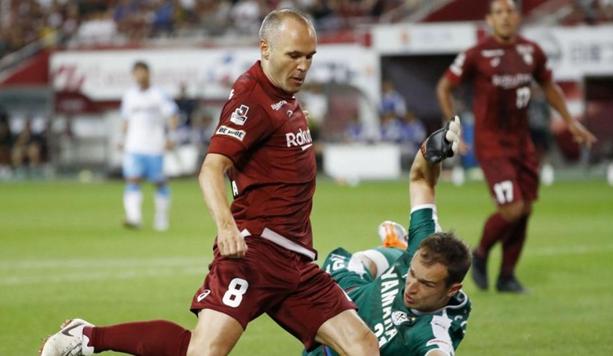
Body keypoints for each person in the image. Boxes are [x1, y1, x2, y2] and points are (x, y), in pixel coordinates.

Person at [40, 9, 379, 356]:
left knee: (363, 345)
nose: (304, 66)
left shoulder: (282, 97)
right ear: (265, 48)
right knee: (201, 352)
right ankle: (85, 337)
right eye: (294, 55)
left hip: (296, 260)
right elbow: (211, 168)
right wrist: (226, 226)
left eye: (310, 56)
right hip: (254, 253)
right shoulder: (252, 100)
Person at [435, 0, 597, 293]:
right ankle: (481, 253)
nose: (505, 17)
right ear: (489, 19)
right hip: (492, 145)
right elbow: (444, 86)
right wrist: (452, 127)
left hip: (523, 145)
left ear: (518, 17)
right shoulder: (477, 54)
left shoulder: (531, 51)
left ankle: (507, 275)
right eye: (499, 12)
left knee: (525, 210)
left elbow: (549, 86)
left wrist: (571, 122)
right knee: (512, 209)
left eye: (510, 11)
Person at [306, 116, 472, 356]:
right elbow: (421, 180)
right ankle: (396, 251)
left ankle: (395, 250)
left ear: (452, 290)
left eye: (426, 283)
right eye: (413, 274)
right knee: (334, 267)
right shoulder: (426, 244)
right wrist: (428, 151)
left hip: (333, 345)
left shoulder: (433, 333)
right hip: (348, 293)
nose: (411, 287)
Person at [120, 60, 178, 231]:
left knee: (159, 182)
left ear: (148, 73)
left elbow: (172, 115)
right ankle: (134, 218)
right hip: (134, 146)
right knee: (132, 179)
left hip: (155, 146)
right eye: (136, 72)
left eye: (142, 72)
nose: (139, 75)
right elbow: (125, 120)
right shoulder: (129, 95)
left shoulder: (159, 94)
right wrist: (120, 138)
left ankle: (161, 218)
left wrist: (171, 136)